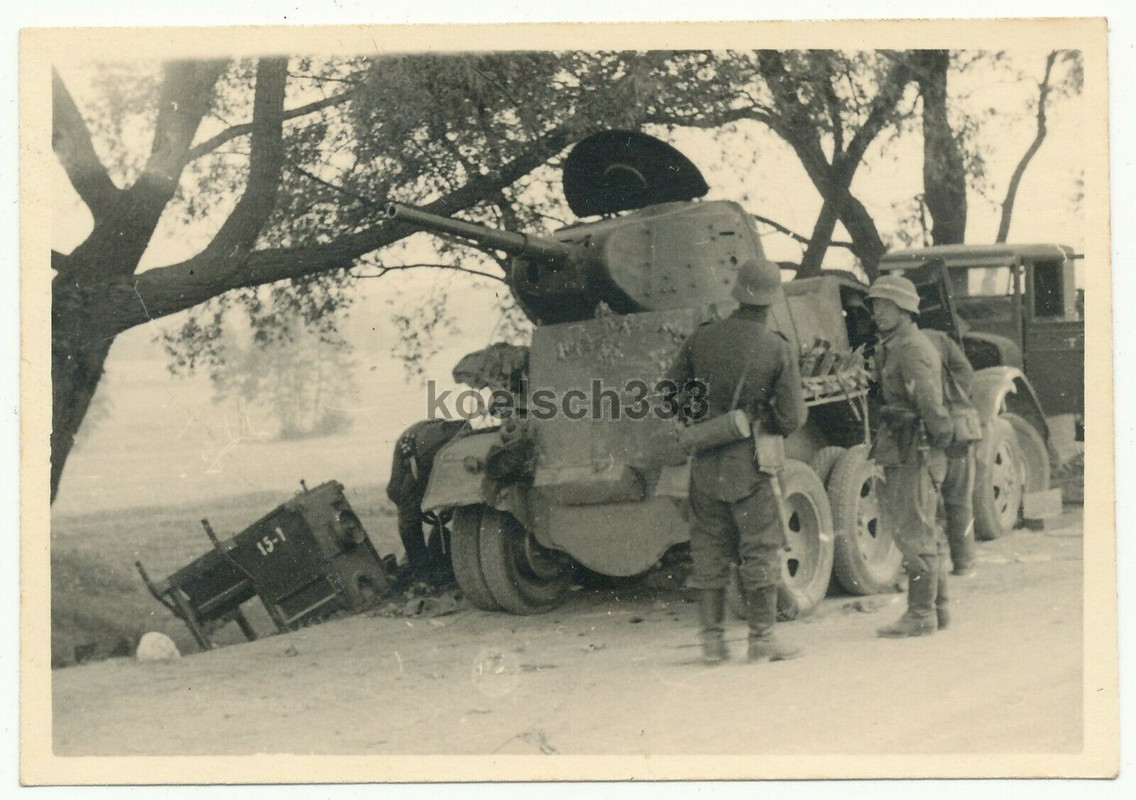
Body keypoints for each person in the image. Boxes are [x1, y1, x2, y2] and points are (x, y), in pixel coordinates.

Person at [667, 257, 807, 663]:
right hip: (752, 464)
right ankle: (762, 640)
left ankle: (712, 643)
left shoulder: (702, 338)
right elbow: (791, 418)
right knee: (760, 548)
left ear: (737, 293)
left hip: (705, 461)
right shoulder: (776, 347)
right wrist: (755, 419)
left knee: (708, 552)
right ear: (771, 299)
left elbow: (667, 392)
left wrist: (704, 420)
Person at [867, 275, 955, 638]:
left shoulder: (911, 347)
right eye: (876, 306)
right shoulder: (894, 345)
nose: (877, 313)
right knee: (925, 526)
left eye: (885, 306)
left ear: (904, 310)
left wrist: (935, 444)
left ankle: (920, 614)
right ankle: (938, 607)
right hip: (907, 446)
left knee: (912, 529)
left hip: (914, 449)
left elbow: (931, 406)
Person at [921, 328, 984, 581]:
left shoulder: (899, 344)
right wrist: (953, 396)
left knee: (927, 501)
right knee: (959, 498)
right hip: (958, 428)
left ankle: (931, 566)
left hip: (933, 430)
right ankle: (965, 562)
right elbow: (965, 372)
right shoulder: (940, 338)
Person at [385, 419, 468, 585]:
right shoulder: (405, 485)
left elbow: (408, 525)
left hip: (428, 445)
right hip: (453, 435)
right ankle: (420, 567)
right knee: (410, 522)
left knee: (409, 524)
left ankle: (423, 575)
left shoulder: (403, 486)